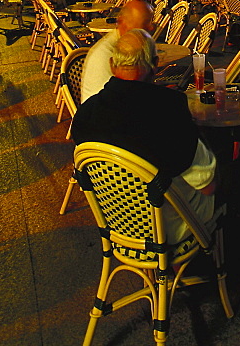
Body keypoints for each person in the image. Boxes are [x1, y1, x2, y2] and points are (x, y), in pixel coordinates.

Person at [72, 28, 217, 244]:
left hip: (117, 224)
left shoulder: (85, 115)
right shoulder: (169, 110)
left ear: (112, 65)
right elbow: (207, 186)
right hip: (169, 227)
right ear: (156, 63)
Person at [80, 0, 155, 103]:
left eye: (151, 21)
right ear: (122, 23)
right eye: (145, 24)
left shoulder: (123, 47)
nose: (151, 27)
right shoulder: (109, 54)